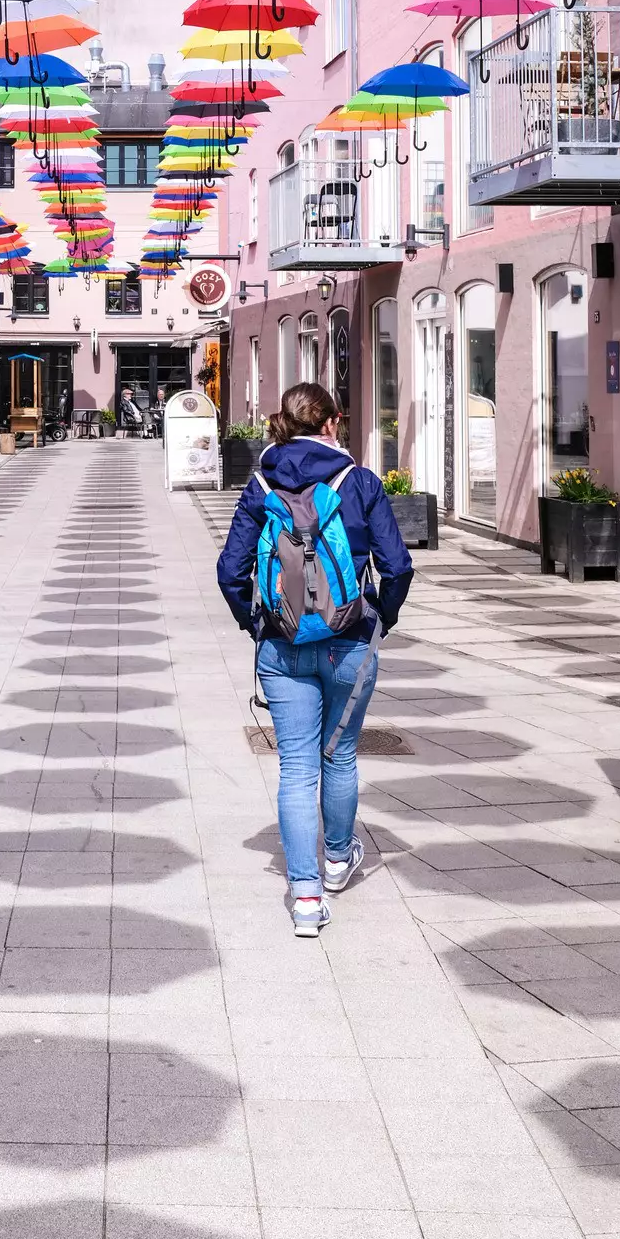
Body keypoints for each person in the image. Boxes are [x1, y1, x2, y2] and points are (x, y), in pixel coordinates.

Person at [216, 382, 413, 939]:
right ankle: (335, 861)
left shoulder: (260, 486)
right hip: (350, 639)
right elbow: (396, 567)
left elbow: (230, 572)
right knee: (341, 757)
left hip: (282, 646)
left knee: (296, 768)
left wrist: (256, 624)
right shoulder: (361, 482)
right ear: (329, 424)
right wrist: (381, 618)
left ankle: (304, 899)